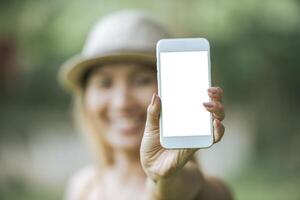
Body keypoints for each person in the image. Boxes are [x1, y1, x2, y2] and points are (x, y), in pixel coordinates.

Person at [58, 10, 233, 200]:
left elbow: (175, 188)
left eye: (142, 80)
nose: (122, 103)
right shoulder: (82, 186)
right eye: (104, 83)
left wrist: (163, 177)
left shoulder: (208, 191)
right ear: (85, 98)